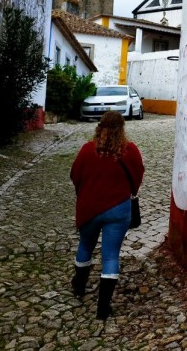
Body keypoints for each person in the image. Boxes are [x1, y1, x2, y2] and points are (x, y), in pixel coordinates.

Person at [69, 111, 144, 320]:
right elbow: (137, 176)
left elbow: (75, 175)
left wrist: (85, 193)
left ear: (99, 127)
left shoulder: (87, 150)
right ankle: (103, 308)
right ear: (122, 129)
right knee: (110, 255)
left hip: (90, 208)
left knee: (85, 246)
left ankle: (79, 287)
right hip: (118, 210)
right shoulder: (130, 151)